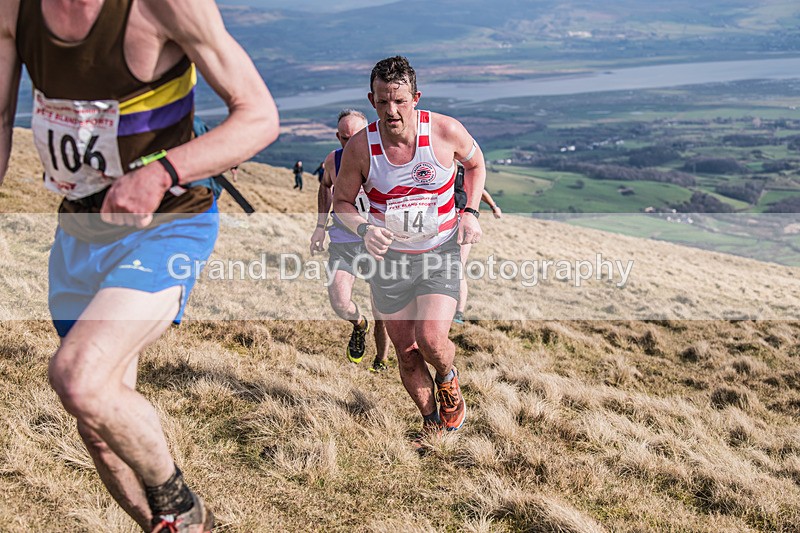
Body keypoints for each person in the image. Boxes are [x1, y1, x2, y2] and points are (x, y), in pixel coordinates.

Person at [0, 1, 279, 531]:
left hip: (167, 222)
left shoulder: (165, 6)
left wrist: (159, 173)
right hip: (79, 233)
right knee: (99, 429)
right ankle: (176, 527)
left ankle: (186, 510)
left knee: (79, 378)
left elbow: (260, 115)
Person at [333, 56, 486, 438]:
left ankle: (448, 379)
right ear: (372, 99)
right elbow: (341, 203)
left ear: (416, 97)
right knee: (406, 350)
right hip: (390, 262)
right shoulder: (360, 147)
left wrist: (470, 211)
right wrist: (365, 227)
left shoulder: (445, 131)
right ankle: (432, 420)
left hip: (438, 252)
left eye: (400, 101)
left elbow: (477, 165)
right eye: (383, 101)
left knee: (432, 339)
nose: (392, 111)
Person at [309, 109, 391, 371]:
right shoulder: (333, 160)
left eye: (356, 136)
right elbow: (325, 186)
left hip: (378, 242)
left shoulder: (384, 158)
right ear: (338, 137)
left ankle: (381, 360)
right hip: (344, 240)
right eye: (345, 138)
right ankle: (358, 324)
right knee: (339, 302)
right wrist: (320, 226)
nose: (351, 142)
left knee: (382, 309)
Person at [452, 163, 502, 324]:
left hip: (461, 224)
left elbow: (480, 191)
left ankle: (458, 313)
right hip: (440, 225)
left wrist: (494, 207)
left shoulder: (463, 172)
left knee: (457, 267)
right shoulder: (436, 169)